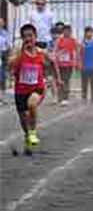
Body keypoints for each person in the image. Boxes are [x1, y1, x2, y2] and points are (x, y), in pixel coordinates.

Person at [9, 24, 61, 154]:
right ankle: (28, 136)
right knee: (23, 118)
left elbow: (53, 61)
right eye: (25, 36)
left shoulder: (41, 52)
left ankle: (32, 133)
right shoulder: (17, 51)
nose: (28, 39)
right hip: (20, 90)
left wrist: (58, 78)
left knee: (32, 104)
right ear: (22, 38)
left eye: (30, 36)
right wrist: (18, 56)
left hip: (37, 88)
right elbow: (10, 63)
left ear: (35, 37)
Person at [54, 24, 77, 106]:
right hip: (60, 63)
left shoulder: (73, 40)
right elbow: (56, 51)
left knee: (66, 80)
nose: (67, 32)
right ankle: (60, 97)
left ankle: (65, 98)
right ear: (63, 31)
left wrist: (74, 61)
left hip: (68, 64)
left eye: (69, 31)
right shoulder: (59, 40)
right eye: (65, 31)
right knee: (59, 80)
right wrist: (59, 54)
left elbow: (74, 51)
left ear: (71, 32)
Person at [78, 26, 93, 104]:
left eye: (91, 32)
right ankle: (84, 97)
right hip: (85, 66)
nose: (89, 33)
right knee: (84, 83)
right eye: (88, 32)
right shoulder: (82, 43)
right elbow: (80, 55)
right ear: (85, 33)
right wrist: (80, 64)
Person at [0, 18, 11, 103]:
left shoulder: (5, 33)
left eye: (1, 23)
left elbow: (8, 45)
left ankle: (2, 96)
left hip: (3, 54)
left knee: (3, 76)